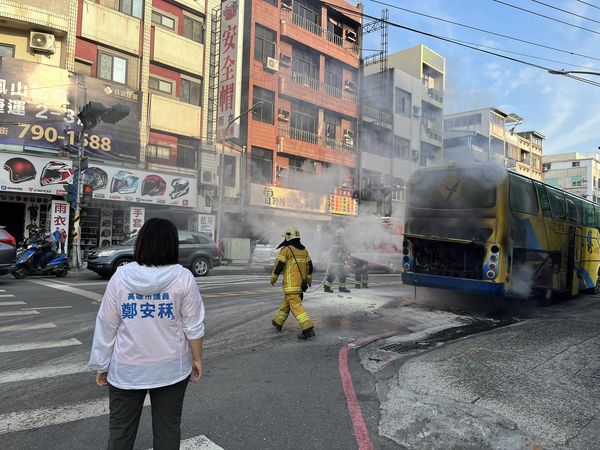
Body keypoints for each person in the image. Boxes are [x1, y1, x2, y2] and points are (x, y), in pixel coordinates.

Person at [89, 218, 205, 450]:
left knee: (120, 432)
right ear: (172, 245)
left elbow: (107, 325)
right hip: (171, 369)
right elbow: (193, 325)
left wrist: (102, 365)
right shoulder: (183, 277)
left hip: (127, 371)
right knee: (168, 430)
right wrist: (197, 359)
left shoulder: (120, 277)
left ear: (140, 243)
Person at [270, 226, 315, 340]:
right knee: (286, 304)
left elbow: (279, 265)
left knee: (296, 306)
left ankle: (307, 329)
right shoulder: (304, 250)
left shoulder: (286, 250)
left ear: (288, 237)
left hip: (290, 285)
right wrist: (308, 280)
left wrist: (273, 278)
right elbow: (310, 266)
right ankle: (278, 322)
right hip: (300, 285)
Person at [324, 228, 351, 293]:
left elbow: (342, 251)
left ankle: (328, 287)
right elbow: (336, 254)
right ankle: (339, 288)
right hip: (336, 263)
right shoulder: (336, 243)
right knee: (338, 275)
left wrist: (346, 252)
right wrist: (344, 255)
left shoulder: (339, 242)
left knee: (336, 275)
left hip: (338, 263)